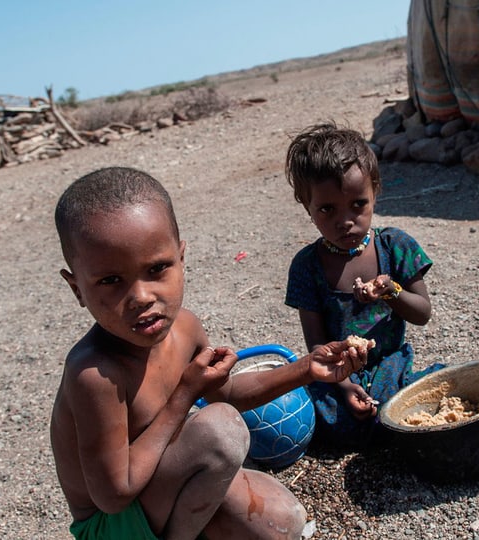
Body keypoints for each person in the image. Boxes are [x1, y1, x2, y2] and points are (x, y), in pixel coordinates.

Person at [50, 166, 368, 540]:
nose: (140, 297)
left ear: (181, 259)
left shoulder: (185, 328)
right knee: (219, 431)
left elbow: (226, 394)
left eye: (157, 268)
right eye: (109, 281)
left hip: (161, 487)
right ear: (76, 289)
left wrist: (306, 369)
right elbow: (113, 494)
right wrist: (184, 394)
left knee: (283, 521)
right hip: (114, 528)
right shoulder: (96, 374)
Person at [283, 123, 444, 448]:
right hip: (338, 370)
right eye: (327, 209)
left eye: (358, 204)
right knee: (317, 416)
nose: (345, 221)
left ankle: (387, 424)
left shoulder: (395, 246)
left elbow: (423, 313)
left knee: (415, 395)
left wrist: (391, 291)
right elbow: (316, 345)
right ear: (307, 207)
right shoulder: (307, 266)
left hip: (390, 362)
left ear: (375, 192)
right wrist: (343, 385)